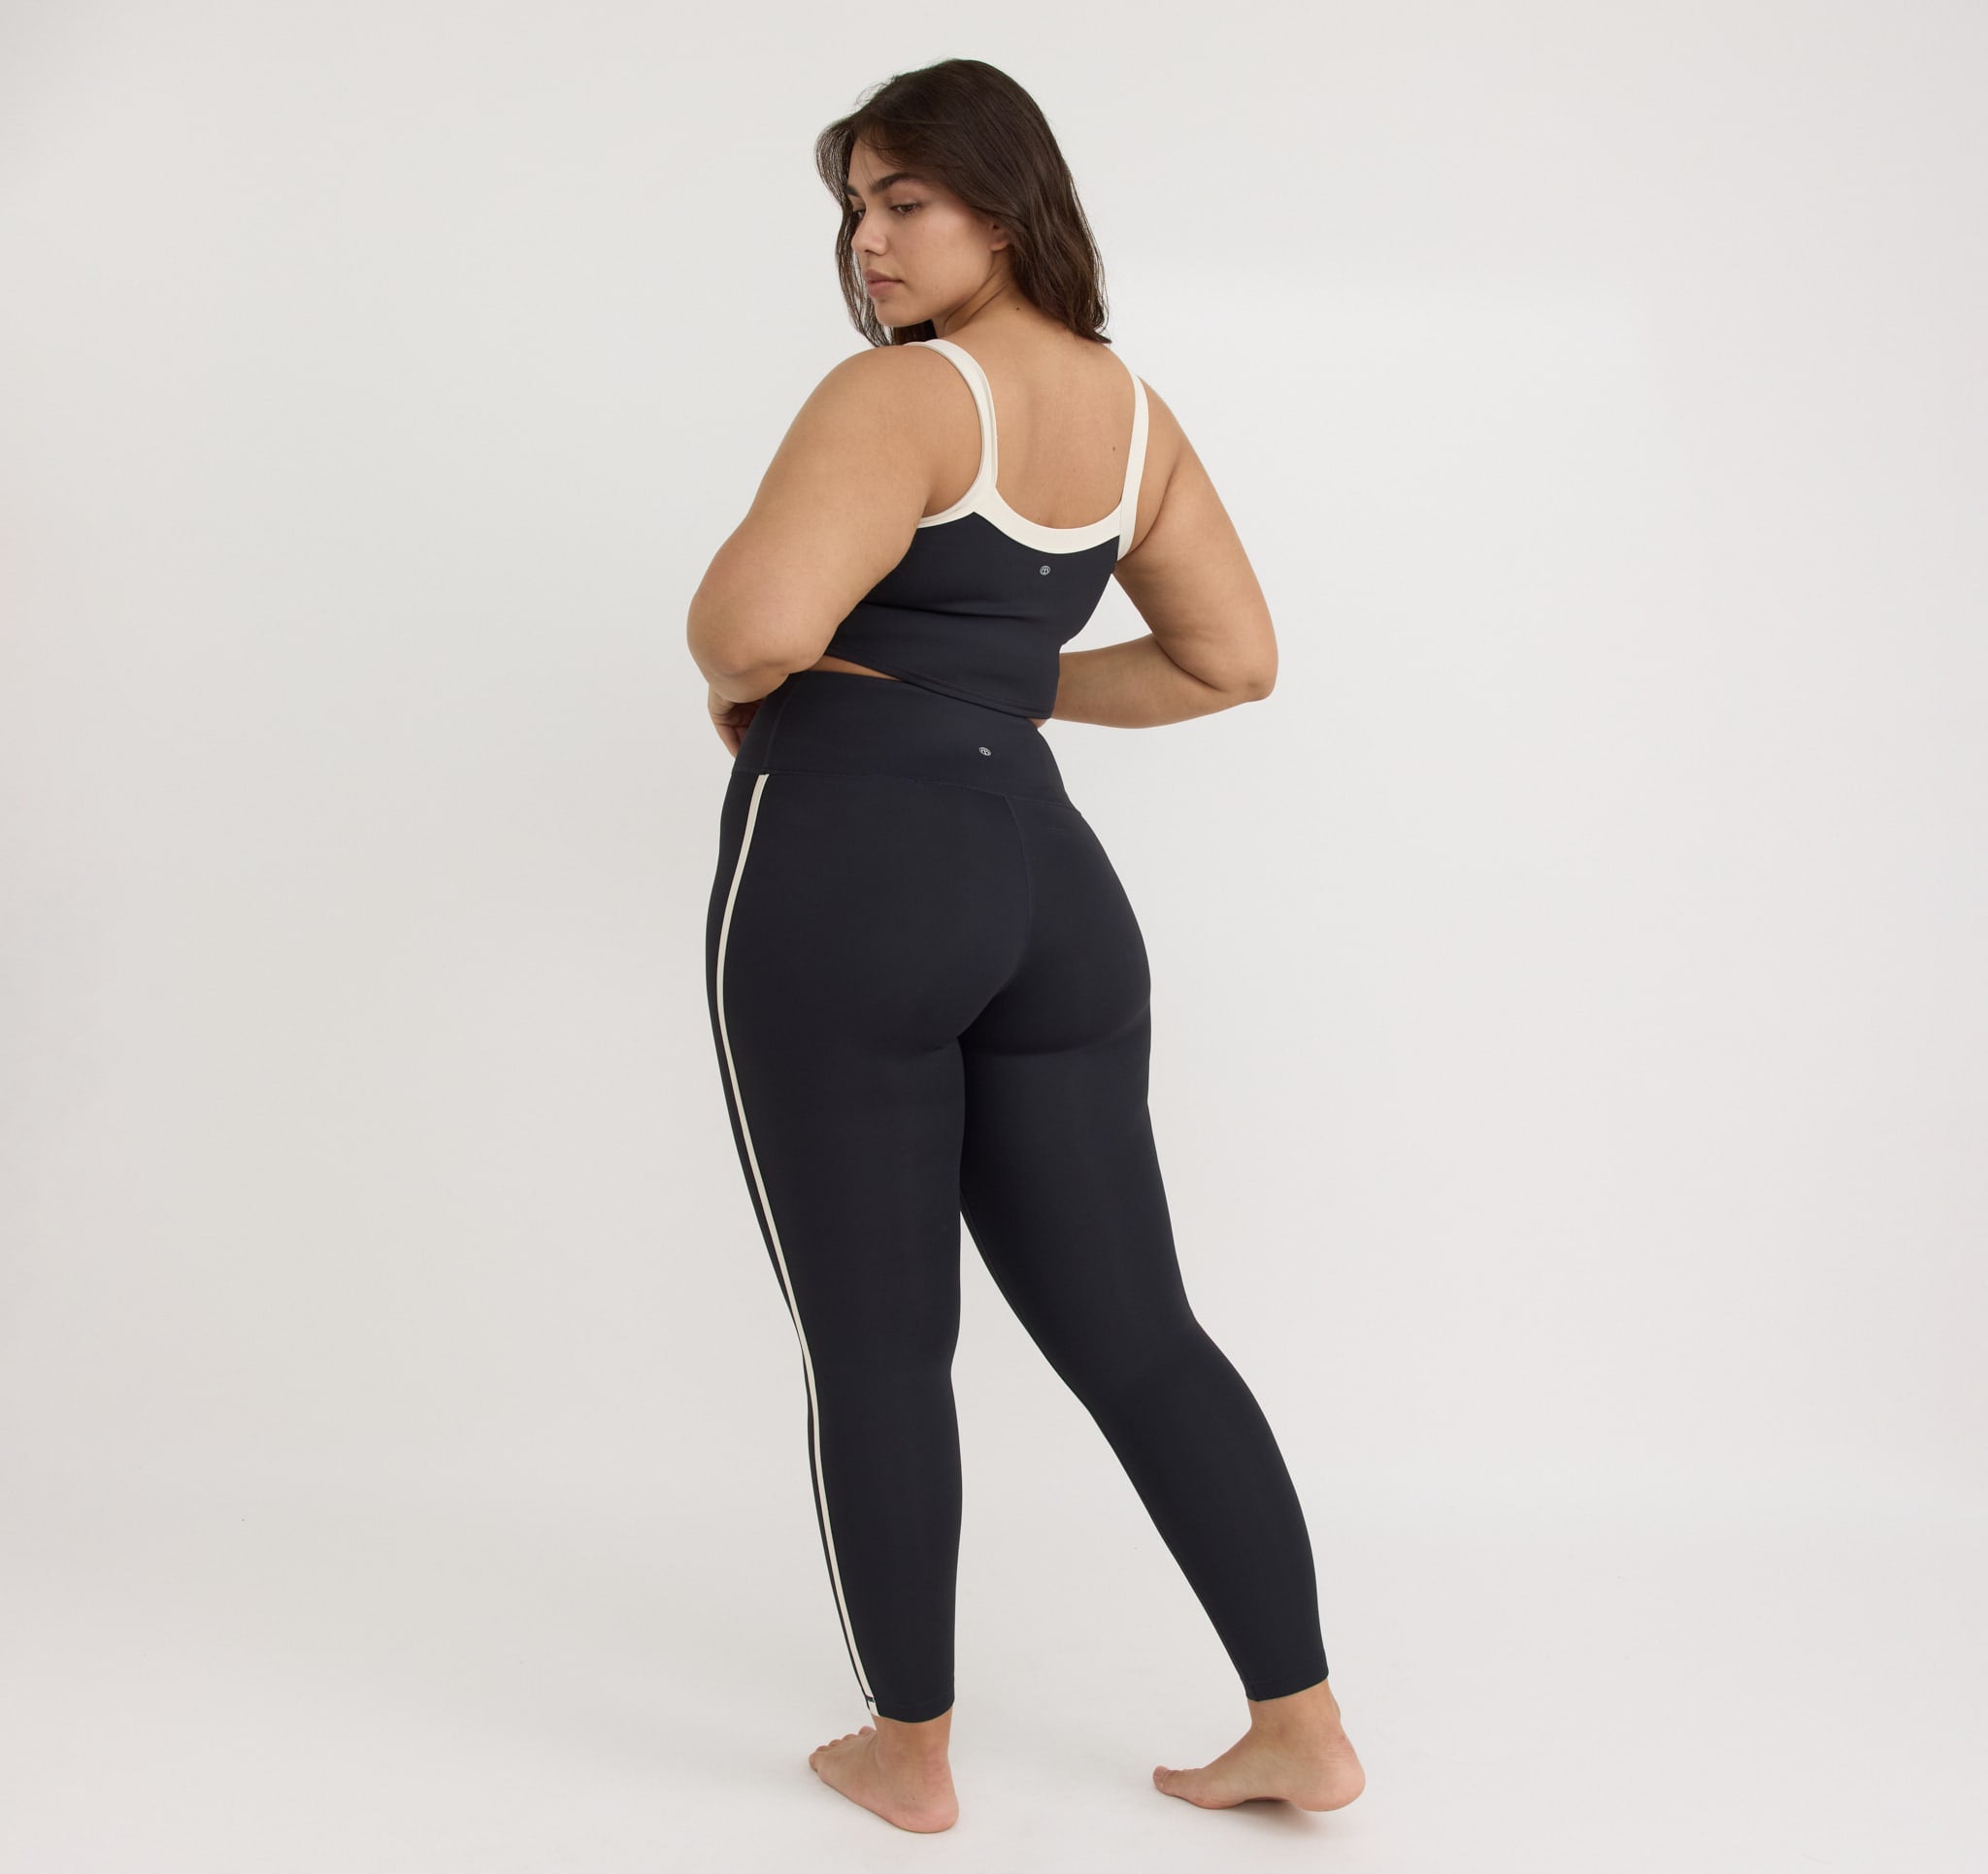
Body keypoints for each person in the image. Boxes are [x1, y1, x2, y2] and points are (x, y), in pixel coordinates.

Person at [686, 57, 1365, 1834]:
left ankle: (908, 1753)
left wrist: (778, 679)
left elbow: (750, 624)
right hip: (1047, 884)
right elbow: (1230, 660)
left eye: (905, 200)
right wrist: (993, 683)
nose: (870, 239)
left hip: (855, 869)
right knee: (1140, 1330)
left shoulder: (902, 394)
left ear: (1005, 203)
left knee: (880, 1341)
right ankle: (1299, 1724)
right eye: (854, 207)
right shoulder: (1132, 418)